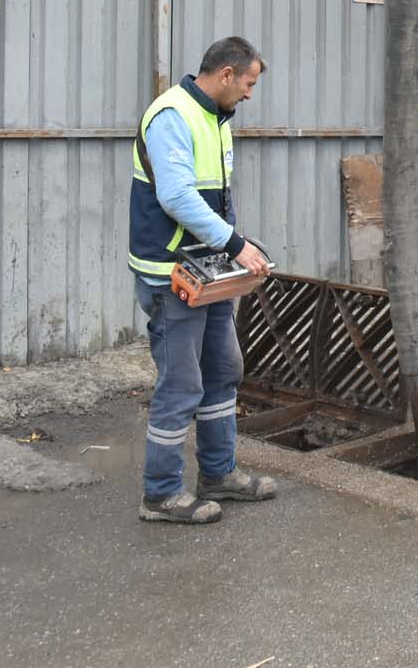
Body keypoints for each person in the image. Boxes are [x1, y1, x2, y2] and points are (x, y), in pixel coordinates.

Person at [128, 37, 277, 524]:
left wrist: (234, 248)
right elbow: (176, 198)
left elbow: (219, 198)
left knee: (221, 370)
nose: (251, 94)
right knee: (181, 384)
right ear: (228, 74)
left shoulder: (216, 121)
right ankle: (161, 495)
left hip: (207, 272)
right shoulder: (171, 115)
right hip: (172, 274)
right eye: (249, 83)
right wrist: (236, 246)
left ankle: (218, 474)